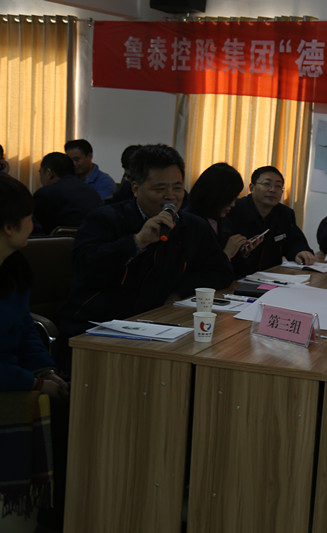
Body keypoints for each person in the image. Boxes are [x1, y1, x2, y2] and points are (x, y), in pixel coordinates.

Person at [58, 144, 234, 342]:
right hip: (99, 325)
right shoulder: (104, 219)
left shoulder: (193, 226)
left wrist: (178, 292)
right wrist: (137, 241)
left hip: (161, 322)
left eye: (177, 188)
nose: (171, 196)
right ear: (135, 188)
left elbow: (221, 271)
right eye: (160, 189)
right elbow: (85, 267)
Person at [0, 175, 69, 532]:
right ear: (8, 226)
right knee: (60, 414)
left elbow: (26, 326)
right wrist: (35, 383)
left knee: (71, 399)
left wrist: (45, 369)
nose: (33, 222)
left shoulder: (14, 266)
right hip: (7, 380)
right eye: (28, 216)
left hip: (17, 374)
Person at [227, 165, 315, 276]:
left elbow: (295, 240)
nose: (272, 190)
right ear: (252, 187)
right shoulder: (233, 210)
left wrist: (301, 251)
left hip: (271, 276)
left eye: (278, 186)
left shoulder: (285, 214)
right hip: (236, 276)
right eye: (266, 184)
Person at [186, 163, 262, 260]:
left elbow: (231, 265)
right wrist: (227, 254)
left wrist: (242, 252)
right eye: (230, 199)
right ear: (215, 195)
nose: (233, 204)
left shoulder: (224, 221)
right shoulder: (189, 223)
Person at [33, 152, 103, 235]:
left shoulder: (45, 194)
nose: (40, 179)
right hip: (95, 239)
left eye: (40, 173)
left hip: (60, 242)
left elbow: (32, 228)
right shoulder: (91, 190)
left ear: (49, 173)